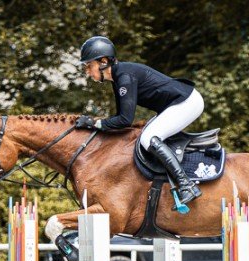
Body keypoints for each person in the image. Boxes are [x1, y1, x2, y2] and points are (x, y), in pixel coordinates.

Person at [75, 35, 203, 208]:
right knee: (147, 135)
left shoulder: (124, 77)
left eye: (89, 66)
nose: (88, 72)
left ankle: (186, 185)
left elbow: (125, 120)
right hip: (177, 103)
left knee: (148, 138)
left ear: (103, 61)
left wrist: (94, 123)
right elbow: (121, 117)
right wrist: (97, 123)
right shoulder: (118, 77)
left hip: (187, 102)